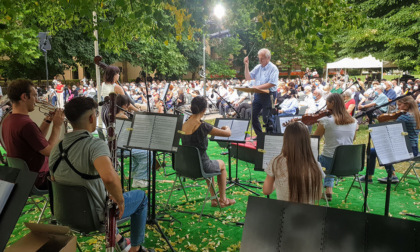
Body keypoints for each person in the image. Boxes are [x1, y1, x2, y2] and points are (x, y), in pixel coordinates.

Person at [49, 97, 153, 252]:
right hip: (95, 217)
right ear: (92, 117)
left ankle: (120, 240)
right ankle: (136, 248)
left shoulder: (56, 147)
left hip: (64, 214)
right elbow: (109, 177)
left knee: (105, 194)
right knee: (141, 198)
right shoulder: (94, 145)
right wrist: (120, 200)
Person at [2, 79, 65, 189]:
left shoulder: (9, 120)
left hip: (22, 177)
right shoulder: (26, 124)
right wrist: (57, 126)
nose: (36, 100)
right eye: (34, 96)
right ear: (24, 97)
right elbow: (49, 151)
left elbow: (35, 140)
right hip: (38, 178)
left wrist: (48, 121)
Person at [181, 96, 236, 208]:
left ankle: (214, 199)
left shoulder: (184, 125)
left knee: (209, 163)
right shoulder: (203, 126)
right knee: (221, 164)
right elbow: (227, 134)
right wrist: (226, 127)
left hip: (187, 166)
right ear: (204, 110)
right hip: (202, 166)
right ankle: (223, 199)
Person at [359, 96, 420, 184]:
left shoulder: (405, 117)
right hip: (414, 148)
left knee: (376, 151)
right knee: (382, 149)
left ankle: (371, 176)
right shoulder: (416, 115)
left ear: (407, 105)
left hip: (407, 150)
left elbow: (391, 130)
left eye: (400, 105)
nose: (398, 108)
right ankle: (391, 175)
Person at [263, 121, 324, 204]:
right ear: (307, 141)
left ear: (286, 140)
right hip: (308, 214)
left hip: (283, 213)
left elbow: (266, 191)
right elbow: (318, 195)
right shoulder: (316, 165)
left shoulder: (276, 162)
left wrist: (278, 183)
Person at [313, 93, 357, 201]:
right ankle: (329, 190)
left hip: (330, 162)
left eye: (327, 103)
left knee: (318, 160)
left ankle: (318, 191)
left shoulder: (326, 121)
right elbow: (353, 138)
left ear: (332, 103)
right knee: (332, 158)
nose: (326, 105)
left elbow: (314, 139)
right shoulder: (354, 121)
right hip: (349, 163)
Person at [116, 95, 149, 188]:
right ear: (124, 106)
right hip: (120, 148)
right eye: (128, 105)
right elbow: (130, 134)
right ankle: (138, 179)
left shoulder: (113, 114)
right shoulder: (122, 116)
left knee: (138, 151)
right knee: (147, 153)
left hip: (116, 146)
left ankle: (134, 175)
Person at [244, 48, 279, 136]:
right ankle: (260, 136)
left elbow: (272, 83)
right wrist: (246, 65)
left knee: (267, 118)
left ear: (268, 58)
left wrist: (257, 87)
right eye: (259, 58)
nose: (260, 60)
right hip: (258, 95)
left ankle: (270, 137)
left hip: (269, 95)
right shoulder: (258, 67)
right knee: (253, 115)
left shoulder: (273, 68)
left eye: (262, 58)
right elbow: (248, 78)